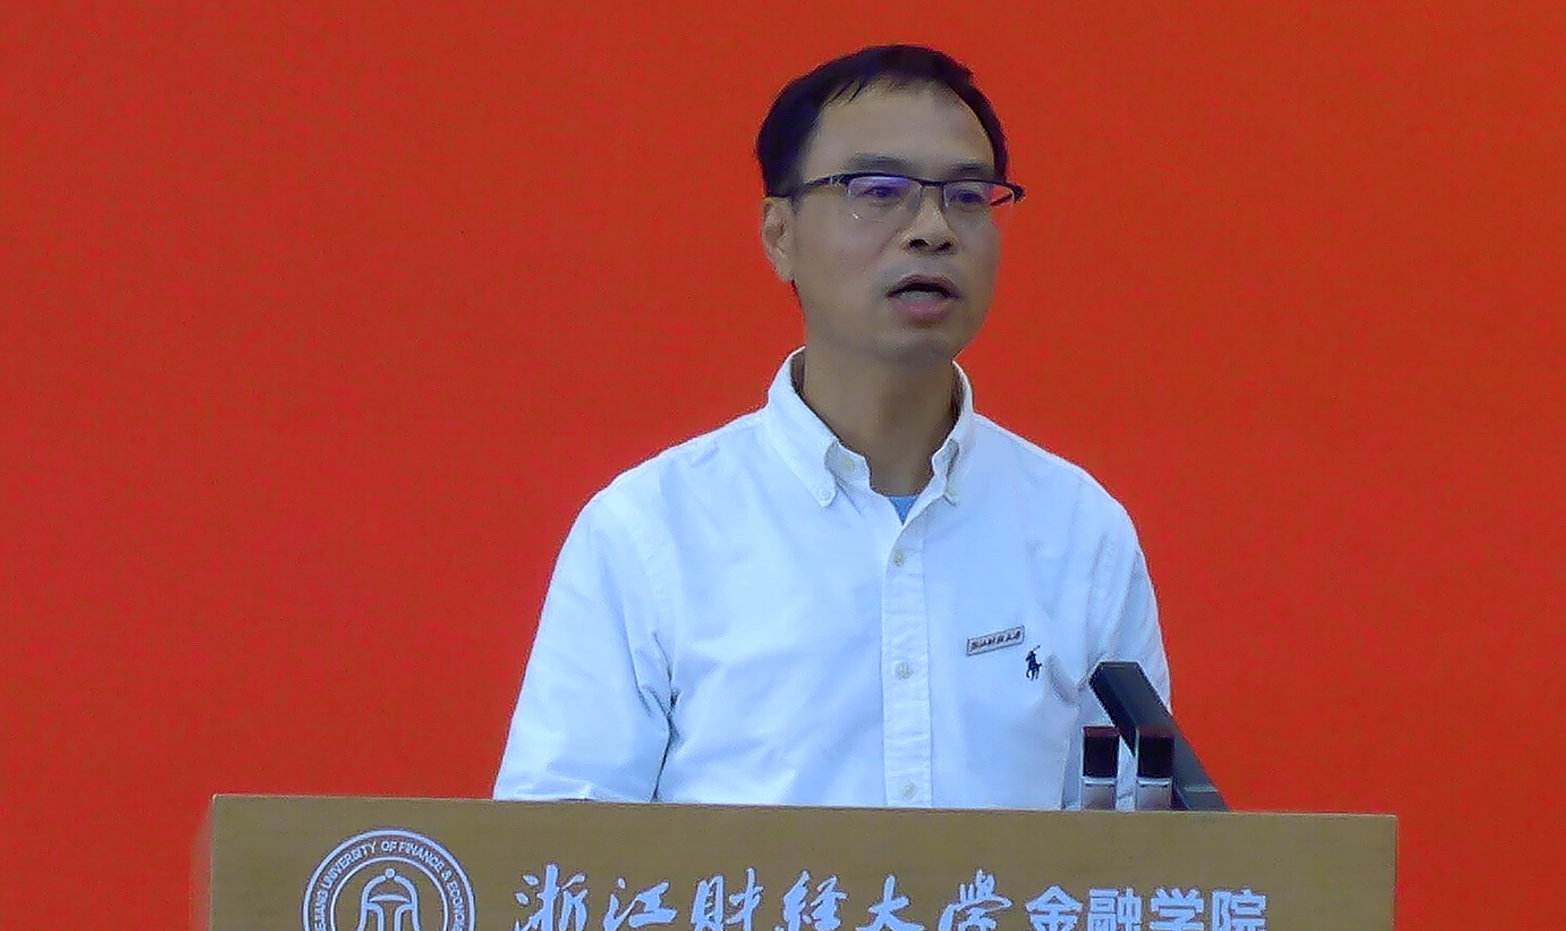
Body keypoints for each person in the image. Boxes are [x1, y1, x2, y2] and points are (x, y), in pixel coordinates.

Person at [494, 43, 1167, 806]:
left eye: (968, 196)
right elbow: (558, 850)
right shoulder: (652, 532)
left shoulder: (1079, 532)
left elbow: (1140, 847)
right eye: (878, 190)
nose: (932, 229)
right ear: (779, 235)